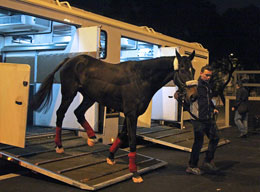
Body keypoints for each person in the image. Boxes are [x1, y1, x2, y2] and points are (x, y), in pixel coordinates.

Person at [186, 65, 220, 175]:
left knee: (215, 137)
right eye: (206, 75)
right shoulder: (195, 85)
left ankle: (208, 160)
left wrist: (213, 108)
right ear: (201, 73)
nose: (208, 77)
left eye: (210, 75)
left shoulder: (207, 86)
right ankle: (192, 166)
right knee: (198, 143)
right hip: (197, 119)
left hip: (208, 118)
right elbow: (185, 91)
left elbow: (208, 100)